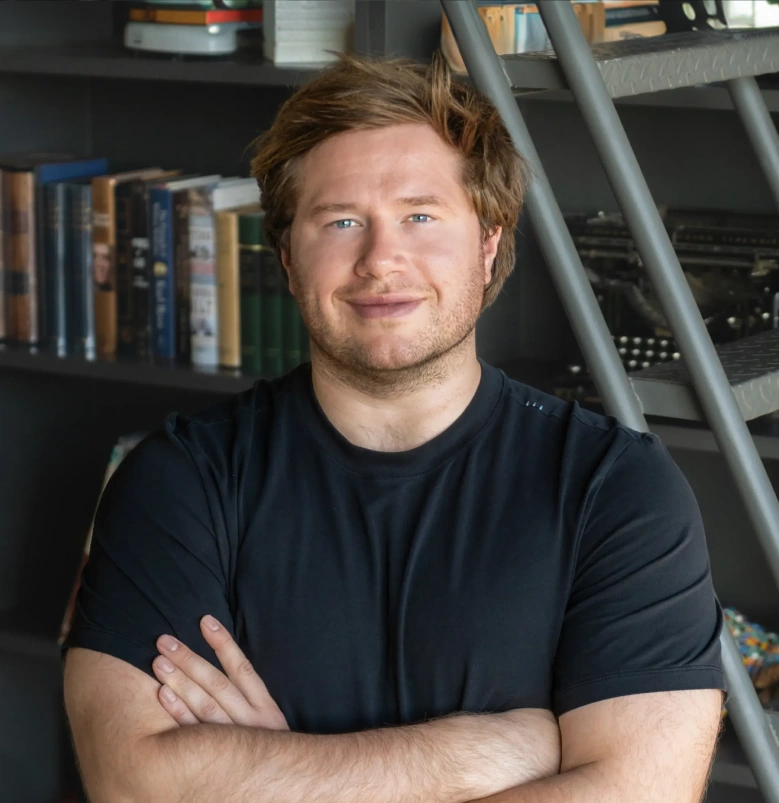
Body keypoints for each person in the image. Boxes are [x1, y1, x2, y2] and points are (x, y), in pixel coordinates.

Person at [63, 52, 725, 803]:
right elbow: (133, 785)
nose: (380, 261)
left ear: (488, 243)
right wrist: (480, 755)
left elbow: (641, 792)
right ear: (287, 257)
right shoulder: (180, 480)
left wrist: (273, 773)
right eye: (341, 221)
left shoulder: (615, 488)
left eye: (420, 216)